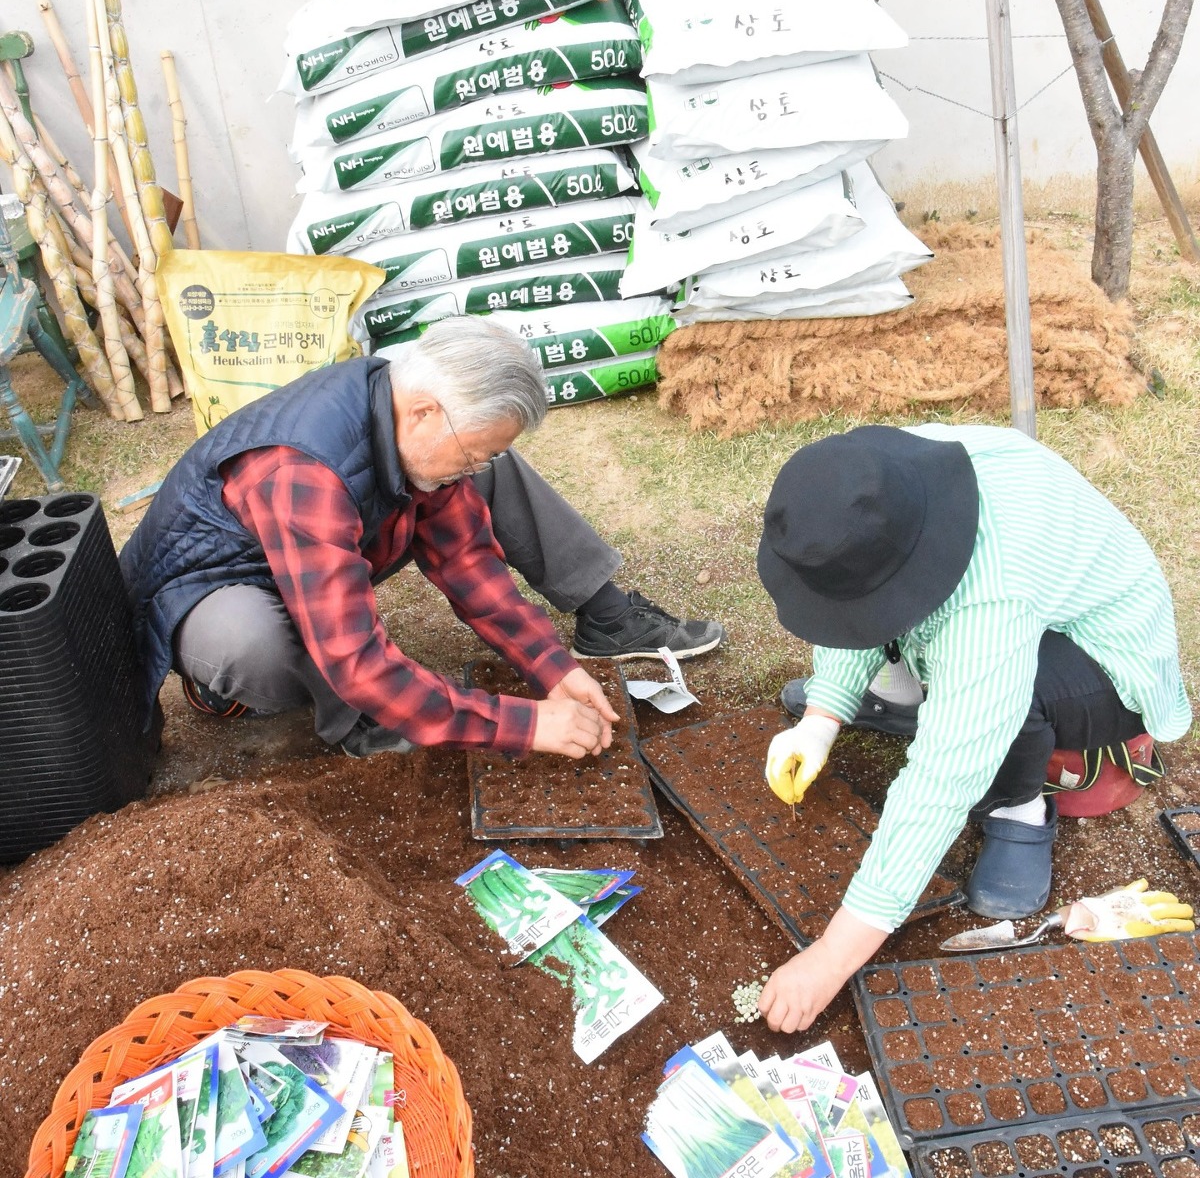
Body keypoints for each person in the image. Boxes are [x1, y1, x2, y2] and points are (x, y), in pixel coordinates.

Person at [754, 423, 1192, 1034]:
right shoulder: (885, 479)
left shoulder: (991, 598)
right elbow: (853, 597)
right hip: (1022, 611)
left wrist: (830, 959)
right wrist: (822, 716)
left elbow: (941, 780)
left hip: (1098, 658)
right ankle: (929, 696)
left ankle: (1020, 806)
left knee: (998, 712)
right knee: (913, 638)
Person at [120, 316, 723, 759]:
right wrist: (525, 724)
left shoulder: (410, 421)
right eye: (466, 454)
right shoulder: (303, 471)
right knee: (257, 644)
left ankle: (604, 613)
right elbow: (357, 661)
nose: (470, 471)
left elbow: (467, 562)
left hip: (310, 548)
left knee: (492, 467)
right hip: (210, 589)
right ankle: (333, 717)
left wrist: (551, 667)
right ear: (426, 412)